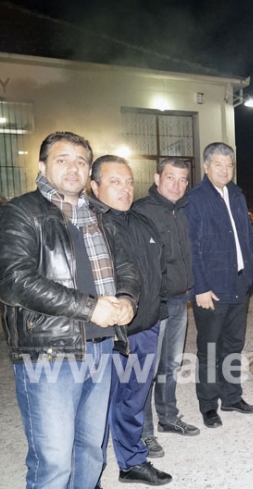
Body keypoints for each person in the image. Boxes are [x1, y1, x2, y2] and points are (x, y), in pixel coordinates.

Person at [0, 131, 140, 488]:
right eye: (62, 159)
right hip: (49, 354)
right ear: (42, 165)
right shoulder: (20, 213)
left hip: (102, 347)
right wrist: (89, 308)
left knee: (90, 451)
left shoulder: (99, 214)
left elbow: (127, 267)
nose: (73, 167)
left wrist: (127, 300)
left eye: (81, 161)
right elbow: (13, 281)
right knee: (54, 461)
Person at [89, 155, 172, 486]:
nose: (124, 189)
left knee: (133, 398)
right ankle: (87, 472)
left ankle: (132, 461)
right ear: (94, 186)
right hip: (107, 334)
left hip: (145, 328)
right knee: (95, 407)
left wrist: (157, 311)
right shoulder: (87, 227)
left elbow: (159, 270)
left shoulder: (141, 222)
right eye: (114, 182)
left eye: (127, 182)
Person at [186, 142, 253, 429]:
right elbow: (192, 247)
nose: (225, 170)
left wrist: (251, 271)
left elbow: (249, 237)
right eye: (218, 164)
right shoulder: (196, 199)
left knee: (233, 345)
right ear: (206, 167)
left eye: (229, 165)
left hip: (239, 285)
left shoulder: (237, 195)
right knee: (210, 349)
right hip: (211, 290)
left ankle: (231, 397)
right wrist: (200, 288)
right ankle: (208, 405)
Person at [134, 158, 199, 457]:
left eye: (183, 179)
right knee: (145, 369)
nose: (177, 184)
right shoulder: (141, 212)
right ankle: (143, 432)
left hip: (178, 300)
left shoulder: (184, 211)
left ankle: (169, 417)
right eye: (171, 178)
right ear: (157, 178)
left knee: (170, 365)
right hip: (152, 303)